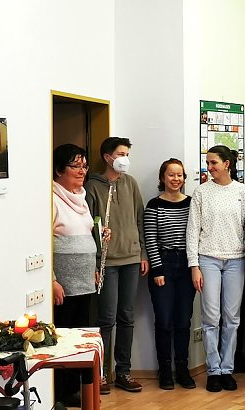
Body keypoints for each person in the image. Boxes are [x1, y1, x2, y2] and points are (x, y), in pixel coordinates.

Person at [84, 136, 149, 393]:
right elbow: (87, 226)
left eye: (127, 153)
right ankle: (100, 373)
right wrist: (95, 259)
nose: (125, 158)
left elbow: (140, 218)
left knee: (127, 317)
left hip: (131, 259)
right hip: (106, 262)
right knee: (106, 319)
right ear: (107, 157)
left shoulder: (130, 183)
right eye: (120, 153)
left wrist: (142, 253)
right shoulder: (92, 186)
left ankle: (123, 371)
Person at [186, 145, 245, 393]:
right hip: (208, 259)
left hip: (236, 260)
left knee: (232, 319)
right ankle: (213, 369)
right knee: (211, 318)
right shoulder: (201, 192)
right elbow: (192, 230)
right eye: (208, 163)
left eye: (214, 163)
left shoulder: (242, 191)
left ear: (227, 164)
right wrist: (194, 265)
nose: (209, 167)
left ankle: (227, 369)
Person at [51, 143, 107, 407]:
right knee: (63, 337)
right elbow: (43, 242)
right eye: (76, 165)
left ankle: (74, 388)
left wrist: (94, 266)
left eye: (84, 165)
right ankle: (58, 392)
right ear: (60, 169)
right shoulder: (51, 197)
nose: (82, 170)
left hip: (85, 280)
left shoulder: (81, 197)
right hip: (63, 284)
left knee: (81, 336)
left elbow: (86, 235)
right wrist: (50, 279)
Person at [144, 158, 197, 390]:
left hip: (186, 265)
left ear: (184, 178)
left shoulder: (192, 204)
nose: (176, 179)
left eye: (180, 175)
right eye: (171, 175)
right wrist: (157, 269)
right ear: (162, 178)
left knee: (183, 320)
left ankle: (182, 367)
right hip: (163, 265)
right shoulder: (153, 205)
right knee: (164, 321)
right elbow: (150, 239)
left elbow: (197, 235)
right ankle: (165, 369)